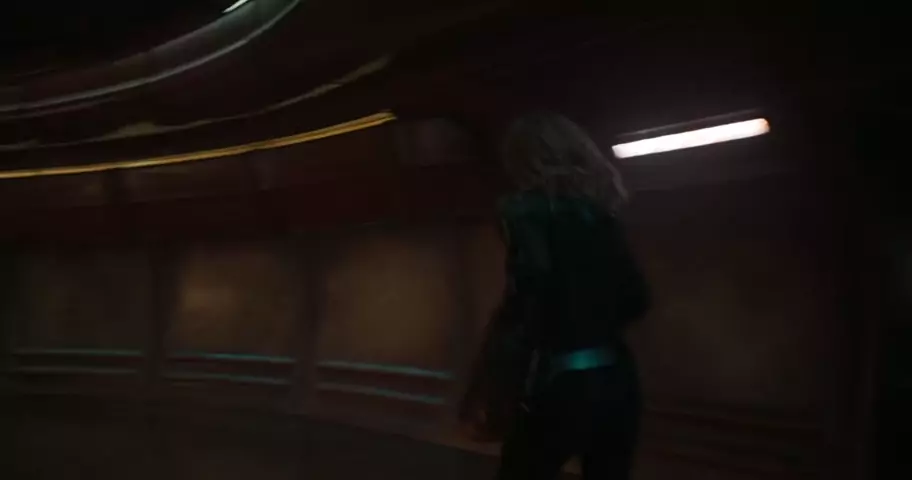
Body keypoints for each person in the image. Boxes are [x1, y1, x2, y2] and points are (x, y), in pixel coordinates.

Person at [461, 113, 651, 480]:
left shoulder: (525, 214)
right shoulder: (603, 216)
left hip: (561, 379)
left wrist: (492, 381)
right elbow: (638, 298)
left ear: (524, 160)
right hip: (619, 378)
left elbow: (528, 301)